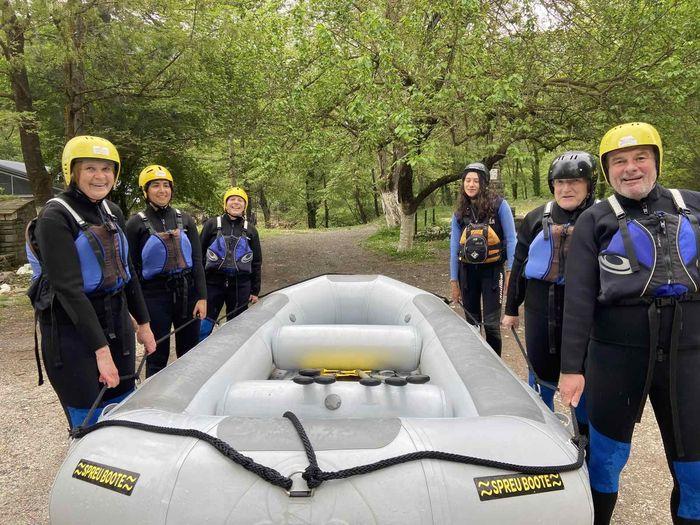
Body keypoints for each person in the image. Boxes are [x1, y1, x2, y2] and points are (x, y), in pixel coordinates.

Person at [559, 122, 700, 524]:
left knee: (695, 472)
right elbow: (579, 298)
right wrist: (571, 369)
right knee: (604, 461)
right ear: (607, 171)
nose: (631, 168)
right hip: (616, 357)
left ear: (656, 161)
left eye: (640, 157)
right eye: (619, 161)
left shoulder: (691, 205)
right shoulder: (595, 219)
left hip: (689, 355)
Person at [26, 135, 156, 429]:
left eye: (107, 169)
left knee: (123, 410)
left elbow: (128, 272)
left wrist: (144, 324)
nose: (100, 176)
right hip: (73, 333)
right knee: (91, 420)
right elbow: (68, 290)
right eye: (90, 169)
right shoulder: (55, 216)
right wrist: (101, 352)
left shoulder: (113, 211)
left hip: (116, 322)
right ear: (72, 171)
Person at [502, 151, 597, 422]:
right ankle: (542, 425)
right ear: (552, 185)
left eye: (575, 182)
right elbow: (519, 265)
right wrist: (511, 309)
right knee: (541, 370)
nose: (566, 188)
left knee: (585, 373)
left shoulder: (602, 218)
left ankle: (584, 434)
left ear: (589, 186)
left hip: (586, 311)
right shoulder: (535, 218)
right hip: (540, 306)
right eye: (560, 182)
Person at [125, 165, 207, 377]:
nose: (162, 190)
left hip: (187, 293)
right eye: (155, 186)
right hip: (154, 296)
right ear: (145, 191)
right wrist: (137, 311)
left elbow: (197, 260)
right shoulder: (135, 224)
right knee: (156, 354)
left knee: (190, 353)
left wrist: (202, 297)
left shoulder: (186, 219)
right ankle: (154, 401)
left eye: (166, 186)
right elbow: (131, 270)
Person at [449, 162, 516, 355]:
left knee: (492, 324)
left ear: (483, 183)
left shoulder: (499, 205)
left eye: (475, 181)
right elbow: (454, 247)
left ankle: (495, 364)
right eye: (467, 181)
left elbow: (512, 239)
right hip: (467, 272)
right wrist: (454, 280)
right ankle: (476, 362)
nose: (471, 185)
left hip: (493, 273)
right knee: (472, 323)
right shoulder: (460, 212)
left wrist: (511, 271)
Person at [199, 187, 262, 338]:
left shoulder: (251, 230)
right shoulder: (212, 224)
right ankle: (200, 353)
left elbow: (256, 261)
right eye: (232, 199)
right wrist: (198, 287)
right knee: (204, 324)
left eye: (240, 200)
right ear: (225, 204)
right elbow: (199, 255)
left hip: (240, 285)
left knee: (236, 327)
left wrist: (255, 290)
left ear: (244, 205)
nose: (236, 203)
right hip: (212, 283)